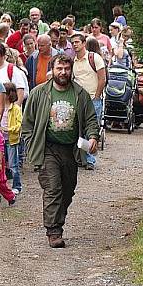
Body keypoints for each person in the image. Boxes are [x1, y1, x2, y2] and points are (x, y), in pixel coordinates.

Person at [22, 54, 99, 248]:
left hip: (70, 150)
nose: (63, 72)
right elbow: (27, 123)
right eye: (59, 68)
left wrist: (93, 137)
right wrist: (32, 144)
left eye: (66, 68)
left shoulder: (80, 94)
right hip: (47, 148)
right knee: (53, 188)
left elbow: (90, 119)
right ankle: (53, 230)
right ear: (52, 70)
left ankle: (58, 218)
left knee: (67, 190)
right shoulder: (39, 93)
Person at [71, 32, 105, 170]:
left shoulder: (94, 58)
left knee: (92, 129)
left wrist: (97, 96)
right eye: (73, 43)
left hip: (93, 99)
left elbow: (102, 78)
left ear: (84, 43)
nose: (74, 45)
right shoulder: (73, 61)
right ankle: (83, 157)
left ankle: (90, 159)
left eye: (77, 42)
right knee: (80, 129)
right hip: (79, 100)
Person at [1, 82, 23, 194]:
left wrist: (9, 129)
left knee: (13, 165)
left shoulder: (16, 108)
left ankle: (17, 186)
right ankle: (2, 186)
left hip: (11, 139)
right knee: (0, 164)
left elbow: (19, 124)